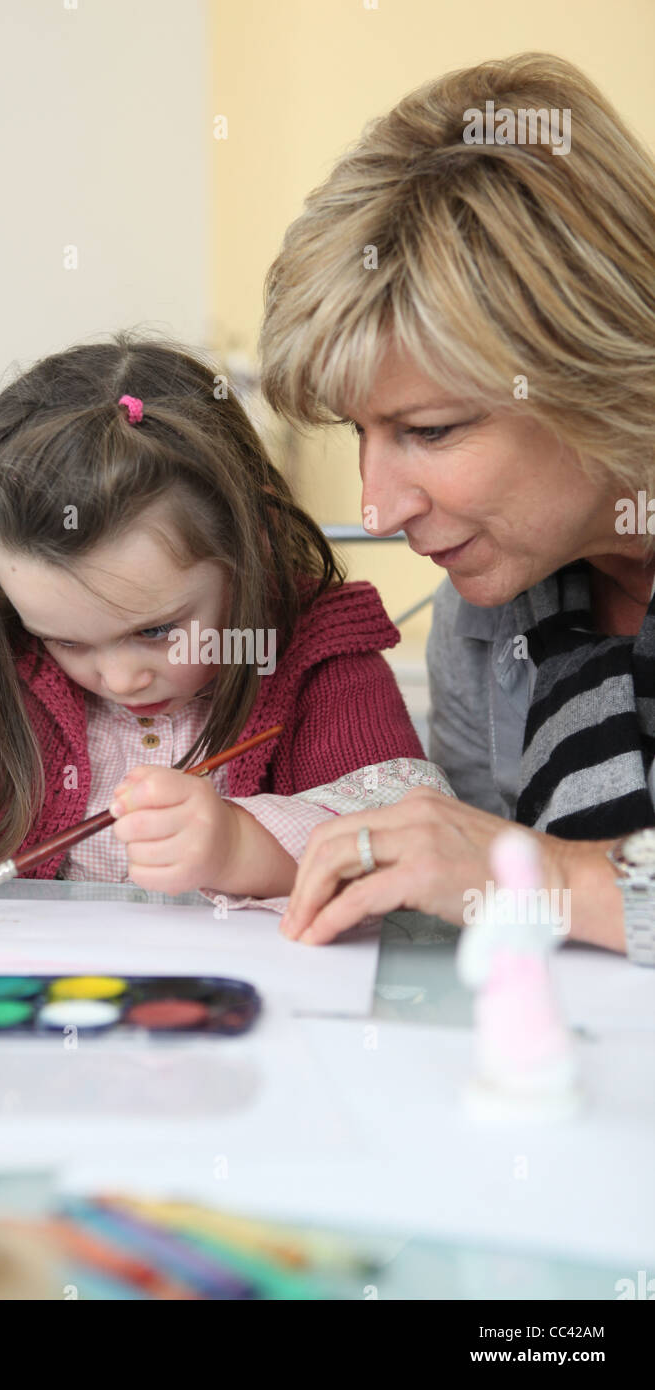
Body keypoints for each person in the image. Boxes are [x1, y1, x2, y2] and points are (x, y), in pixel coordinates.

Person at [0, 334, 446, 950]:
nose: (122, 677)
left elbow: (407, 829)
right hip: (21, 1043)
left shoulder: (315, 654)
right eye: (64, 640)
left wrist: (243, 846)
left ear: (255, 543)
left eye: (156, 631)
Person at [258, 52, 655, 963]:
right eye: (360, 430)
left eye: (430, 430)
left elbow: (521, 881)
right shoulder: (483, 627)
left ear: (602, 365)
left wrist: (541, 872)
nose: (378, 506)